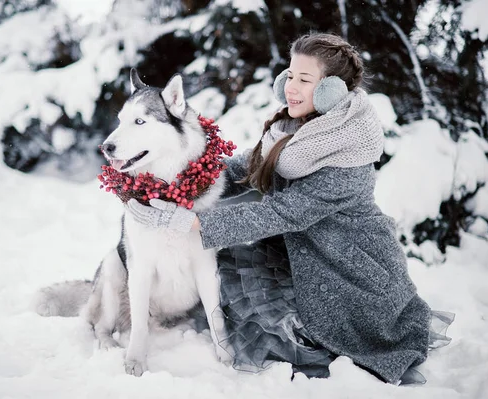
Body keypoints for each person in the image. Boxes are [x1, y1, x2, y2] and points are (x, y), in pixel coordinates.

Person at [126, 33, 453, 385]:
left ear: (331, 90)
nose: (290, 87)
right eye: (290, 75)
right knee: (229, 271)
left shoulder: (347, 155)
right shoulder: (299, 125)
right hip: (304, 249)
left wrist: (189, 221)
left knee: (297, 330)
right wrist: (191, 171)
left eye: (304, 79)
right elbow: (252, 165)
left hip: (348, 272)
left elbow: (281, 212)